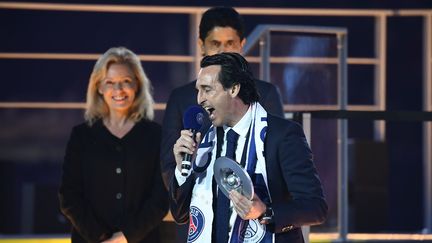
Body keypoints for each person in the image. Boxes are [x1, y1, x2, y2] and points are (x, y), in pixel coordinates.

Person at [170, 52, 327, 243]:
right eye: (198, 90)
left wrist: (265, 212)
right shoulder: (203, 138)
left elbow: (315, 208)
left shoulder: (282, 134)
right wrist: (182, 169)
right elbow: (180, 215)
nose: (199, 99)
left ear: (234, 88)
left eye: (207, 89)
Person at [161, 6, 284, 190]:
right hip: (198, 203)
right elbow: (170, 165)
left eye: (230, 43)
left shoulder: (265, 94)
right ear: (202, 45)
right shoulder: (181, 97)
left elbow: (278, 157)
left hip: (252, 202)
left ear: (241, 44)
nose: (223, 51)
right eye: (215, 43)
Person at [58, 47, 168, 243]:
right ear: (99, 87)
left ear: (137, 85)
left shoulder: (155, 135)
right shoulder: (81, 136)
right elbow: (69, 196)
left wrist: (125, 237)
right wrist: (101, 238)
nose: (118, 90)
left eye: (126, 81)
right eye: (110, 83)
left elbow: (160, 198)